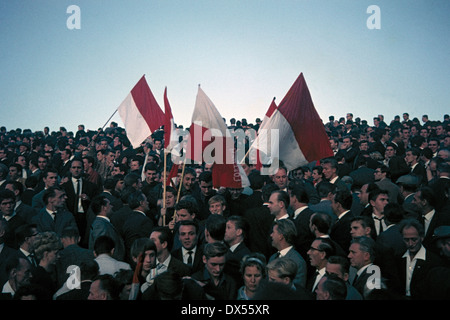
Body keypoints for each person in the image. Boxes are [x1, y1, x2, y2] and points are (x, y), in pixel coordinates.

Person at [395, 218, 443, 299]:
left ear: (421, 237)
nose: (410, 244)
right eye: (406, 240)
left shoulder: (433, 260)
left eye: (414, 239)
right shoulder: (398, 258)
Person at [60, 158, 100, 247]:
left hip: (85, 218)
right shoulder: (64, 187)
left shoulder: (91, 186)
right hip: (70, 217)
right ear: (70, 169)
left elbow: (96, 202)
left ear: (82, 169)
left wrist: (88, 199)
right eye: (74, 167)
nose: (76, 170)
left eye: (78, 167)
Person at [268, 219, 307, 288]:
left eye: (273, 232)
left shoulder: (298, 262)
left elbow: (297, 290)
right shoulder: (273, 258)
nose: (271, 235)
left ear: (280, 236)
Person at [88, 194, 125, 262]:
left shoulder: (102, 223)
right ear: (104, 207)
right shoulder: (100, 225)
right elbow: (101, 249)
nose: (112, 206)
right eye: (109, 204)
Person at [122, 190, 154, 262]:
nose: (148, 202)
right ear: (141, 203)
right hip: (141, 259)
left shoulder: (127, 219)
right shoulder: (145, 221)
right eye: (146, 200)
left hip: (129, 257)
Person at [30, 231, 63, 299]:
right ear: (46, 254)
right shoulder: (40, 277)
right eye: (56, 253)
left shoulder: (51, 272)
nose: (59, 256)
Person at [223, 215, 251, 287]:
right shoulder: (228, 251)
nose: (225, 230)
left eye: (228, 227)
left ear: (238, 232)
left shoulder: (244, 255)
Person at [330, 189, 355, 255]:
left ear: (338, 205)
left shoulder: (344, 224)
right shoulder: (350, 218)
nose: (331, 205)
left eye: (332, 202)